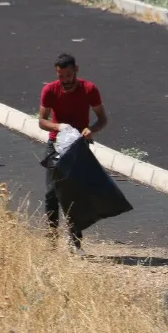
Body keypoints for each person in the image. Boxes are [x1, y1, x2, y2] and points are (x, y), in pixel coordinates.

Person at [38, 53, 108, 254]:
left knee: (75, 193)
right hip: (56, 144)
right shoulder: (50, 90)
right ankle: (51, 240)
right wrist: (58, 126)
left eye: (69, 76)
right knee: (51, 193)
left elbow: (102, 119)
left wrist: (91, 129)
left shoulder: (89, 89)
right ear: (56, 74)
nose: (66, 81)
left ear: (76, 70)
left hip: (79, 145)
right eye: (62, 77)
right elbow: (42, 121)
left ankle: (75, 241)